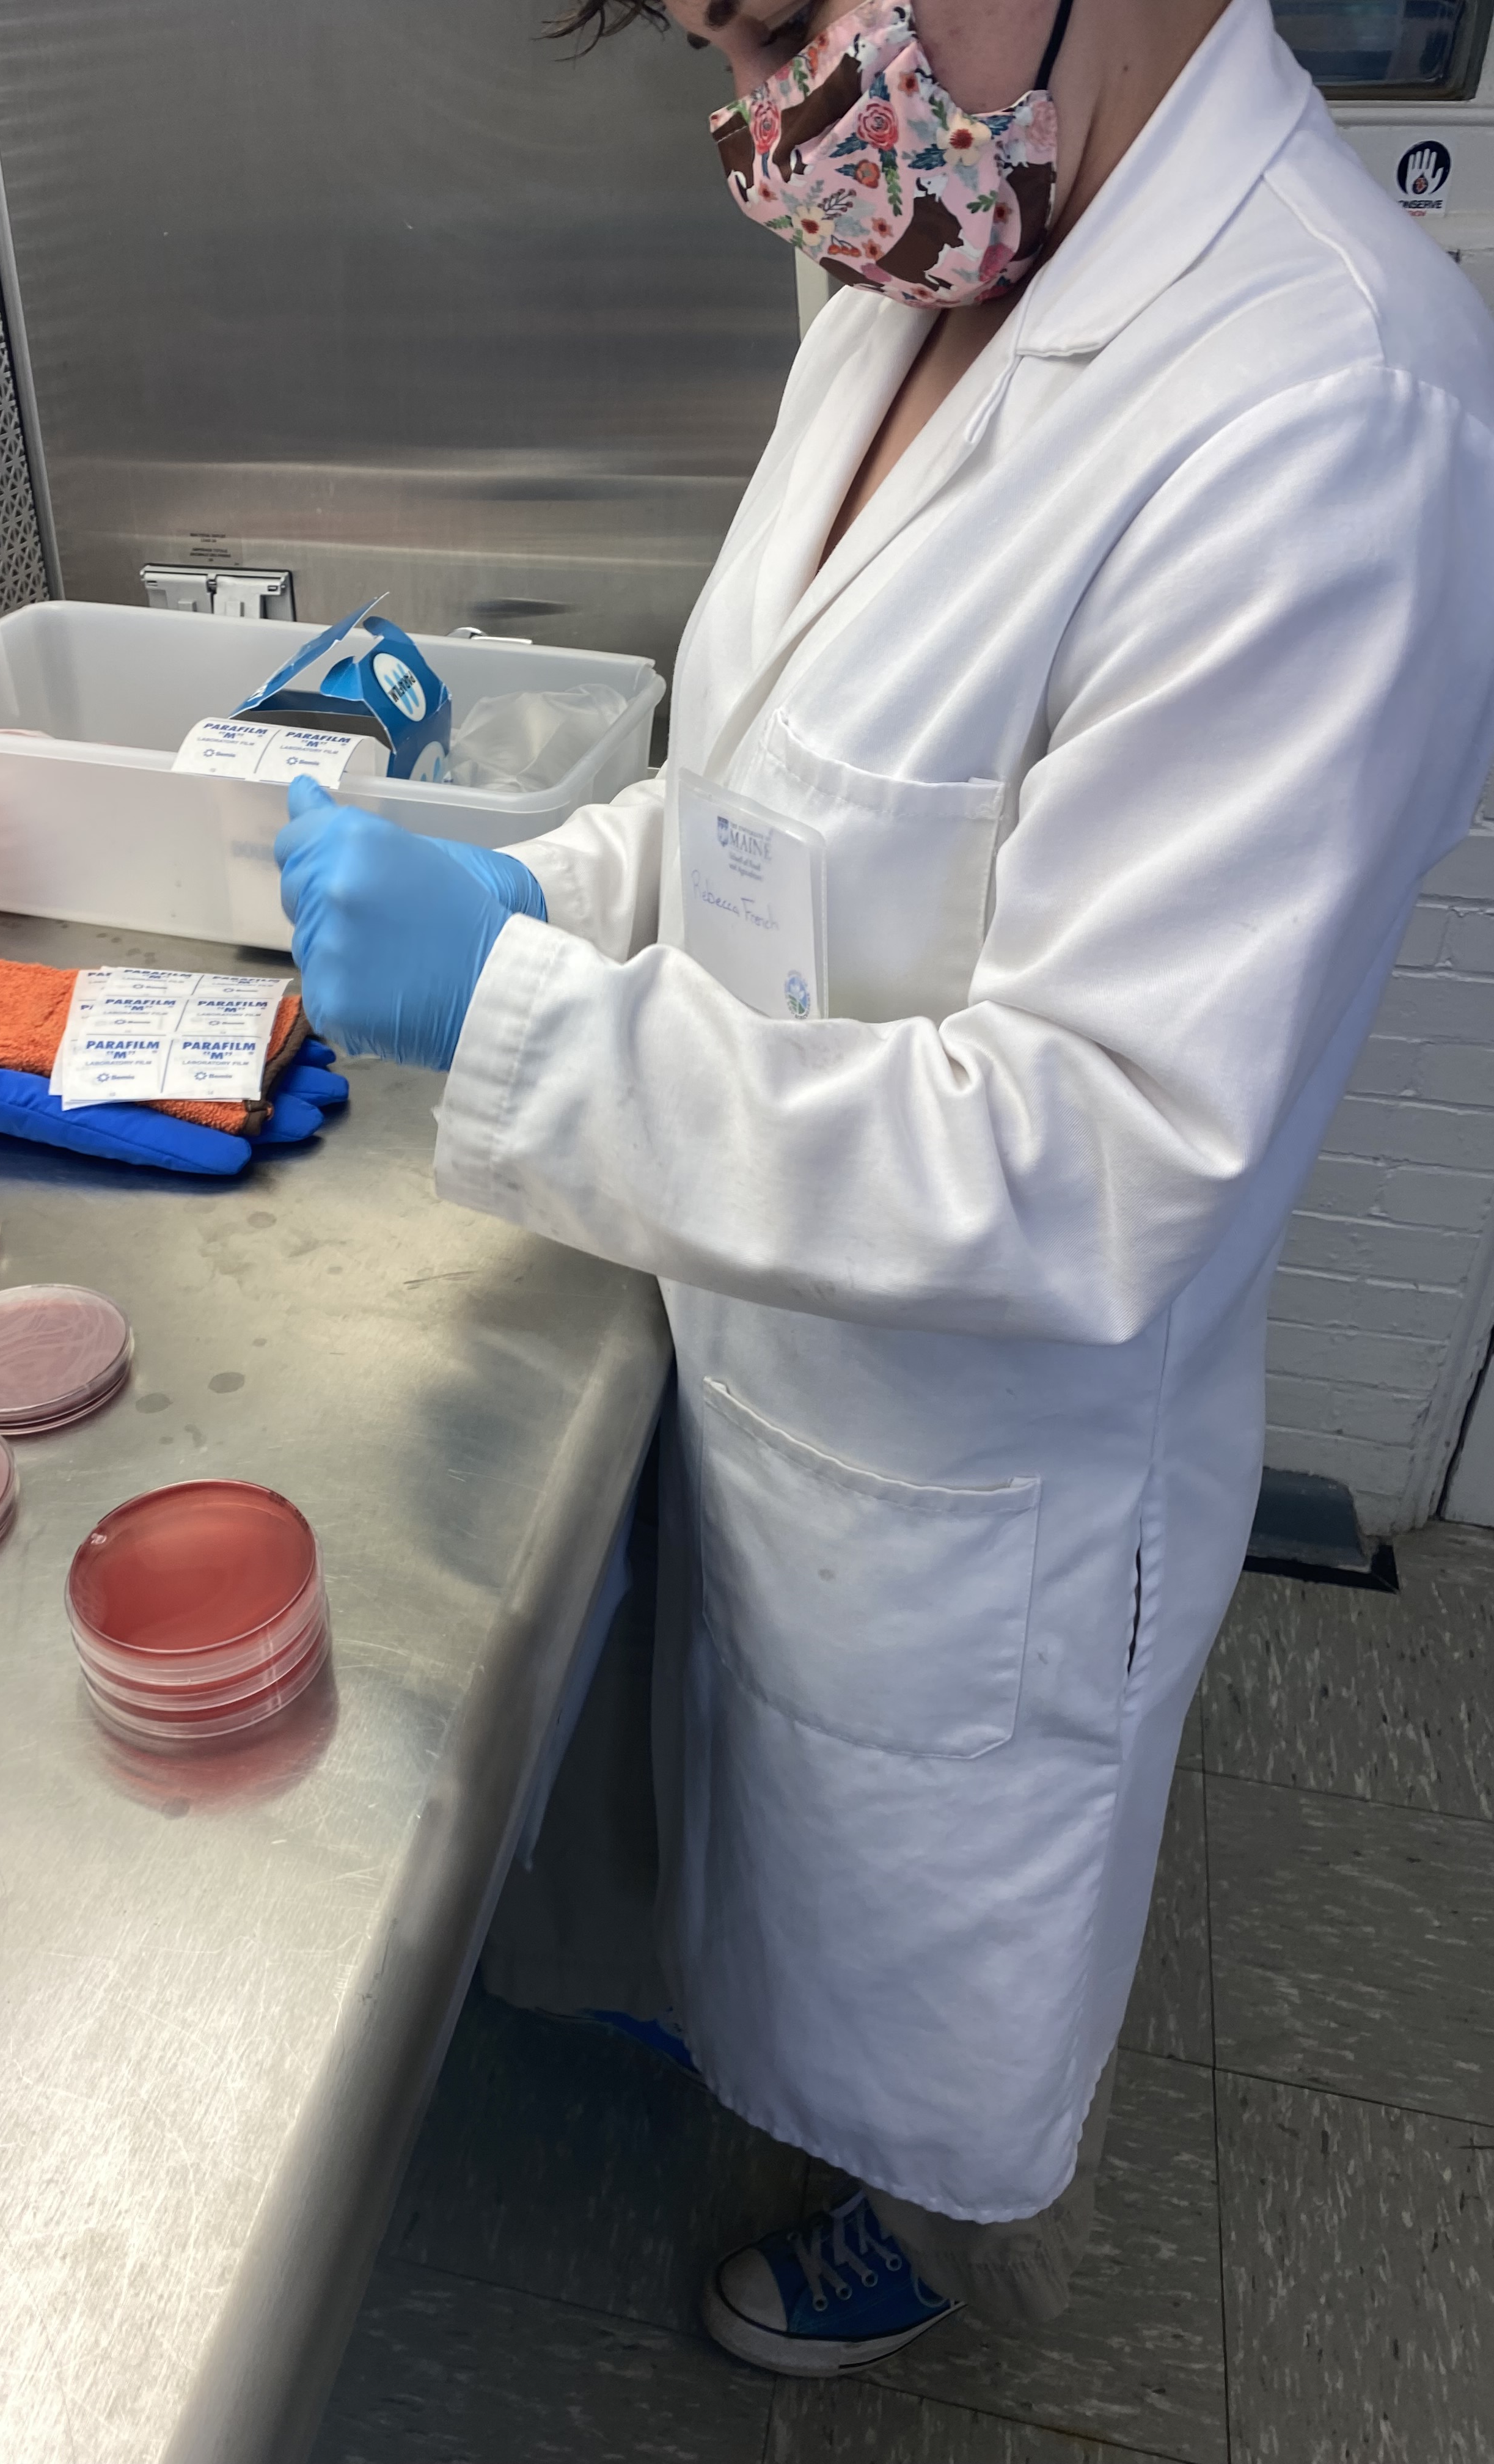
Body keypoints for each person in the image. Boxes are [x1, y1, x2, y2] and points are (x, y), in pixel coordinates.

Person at [276, 0, 1494, 2378]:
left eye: (785, 26)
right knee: (769, 1836)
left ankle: (929, 2230)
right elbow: (776, 792)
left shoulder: (1333, 407)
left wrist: (520, 1027)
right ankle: (767, 2044)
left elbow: (1100, 1152)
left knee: (949, 1976)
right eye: (723, 52)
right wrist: (551, 892)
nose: (772, 129)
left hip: (986, 1464)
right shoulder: (925, 275)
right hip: (773, 1334)